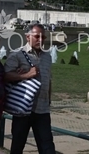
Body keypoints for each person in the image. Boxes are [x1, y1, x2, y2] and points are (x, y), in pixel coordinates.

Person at [4, 24, 55, 154]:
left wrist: (49, 99)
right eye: (36, 36)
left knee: (47, 147)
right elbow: (5, 76)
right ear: (27, 37)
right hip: (23, 108)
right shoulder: (17, 55)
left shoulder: (47, 56)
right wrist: (26, 75)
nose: (40, 40)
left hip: (42, 109)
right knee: (18, 146)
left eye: (43, 37)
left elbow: (48, 79)